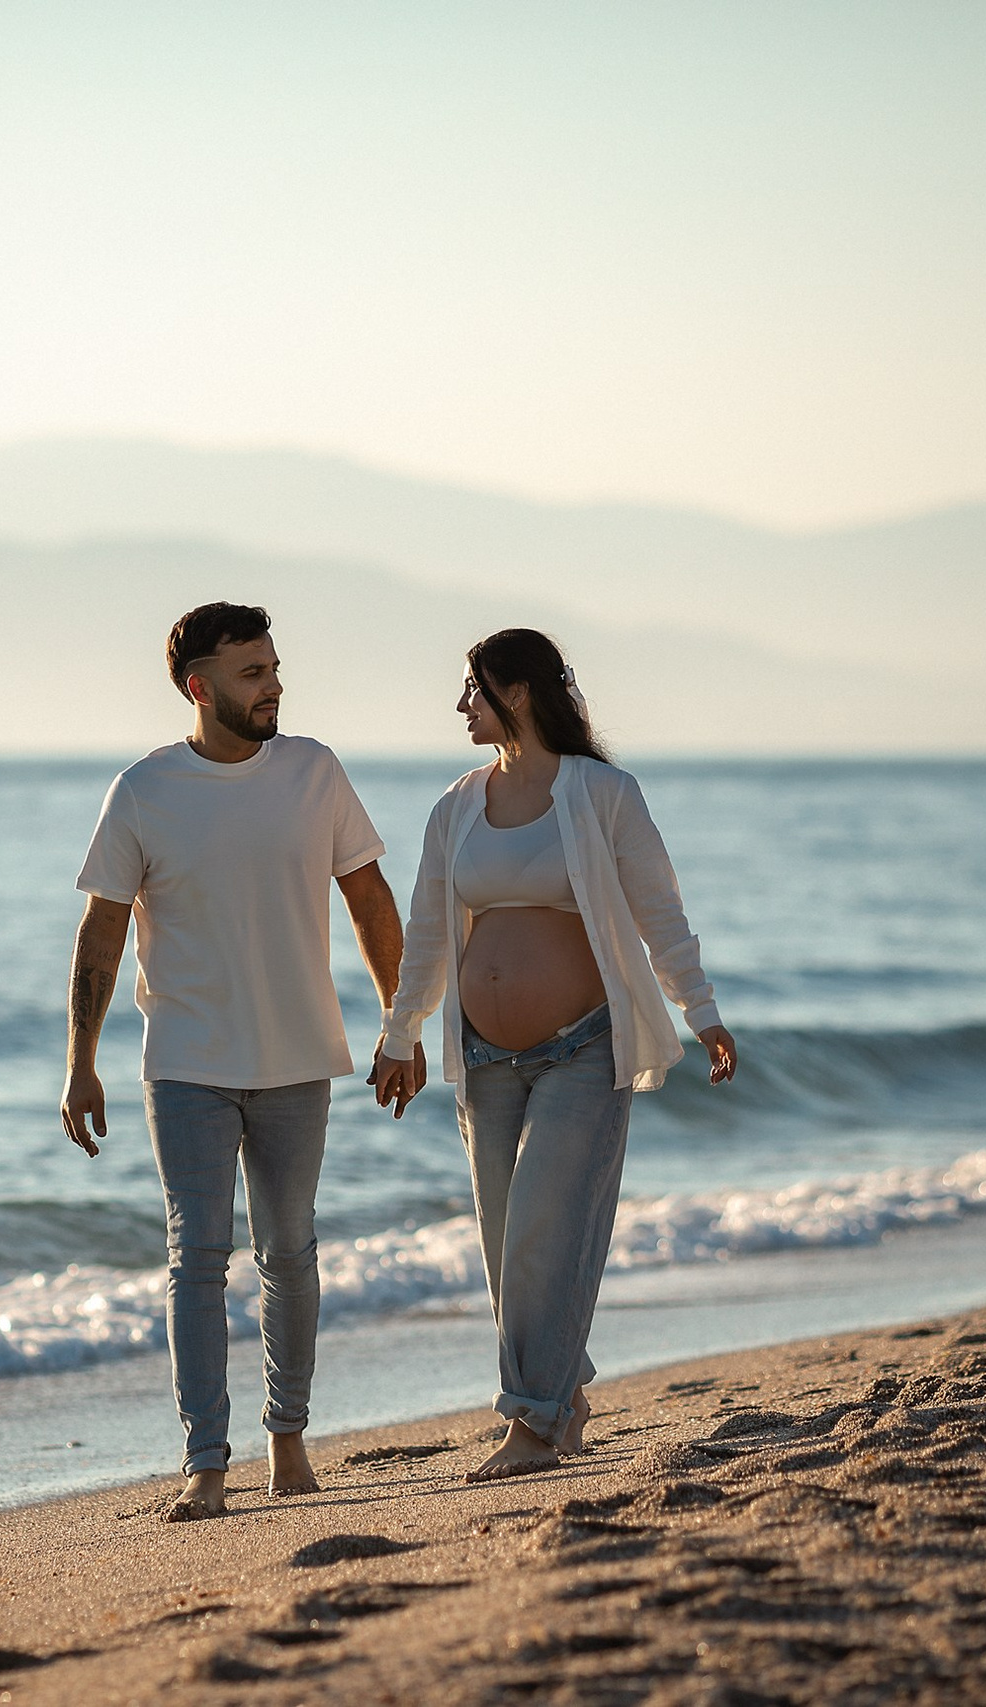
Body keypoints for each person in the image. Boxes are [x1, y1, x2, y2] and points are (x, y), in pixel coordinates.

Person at [61, 601, 416, 1521]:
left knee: (289, 1250)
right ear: (200, 685)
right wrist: (81, 1061)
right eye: (253, 672)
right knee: (197, 1258)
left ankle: (288, 1437)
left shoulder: (313, 771)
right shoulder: (143, 790)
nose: (274, 686)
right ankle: (205, 1462)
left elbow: (369, 896)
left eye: (274, 668)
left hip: (298, 1054)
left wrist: (400, 1022)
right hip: (185, 1061)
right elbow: (101, 930)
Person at [369, 628, 736, 1482]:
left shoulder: (603, 793)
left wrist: (703, 1012)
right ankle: (562, 1397)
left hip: (583, 1047)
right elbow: (428, 931)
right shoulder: (456, 805)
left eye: (473, 688)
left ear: (519, 693)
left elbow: (659, 911)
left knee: (544, 1226)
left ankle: (529, 1422)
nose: (461, 705)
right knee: (508, 1247)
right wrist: (400, 1032)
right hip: (486, 1057)